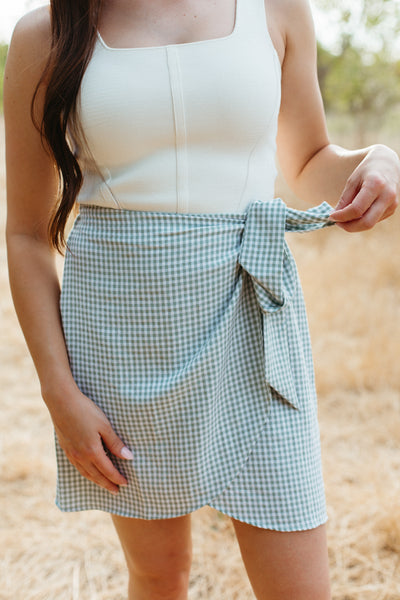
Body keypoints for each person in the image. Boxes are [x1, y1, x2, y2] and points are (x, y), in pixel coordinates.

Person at [4, 0, 399, 598]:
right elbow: (27, 234)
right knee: (160, 575)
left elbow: (310, 159)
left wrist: (377, 159)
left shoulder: (277, 9)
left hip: (254, 324)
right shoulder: (48, 31)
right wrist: (59, 392)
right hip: (122, 336)